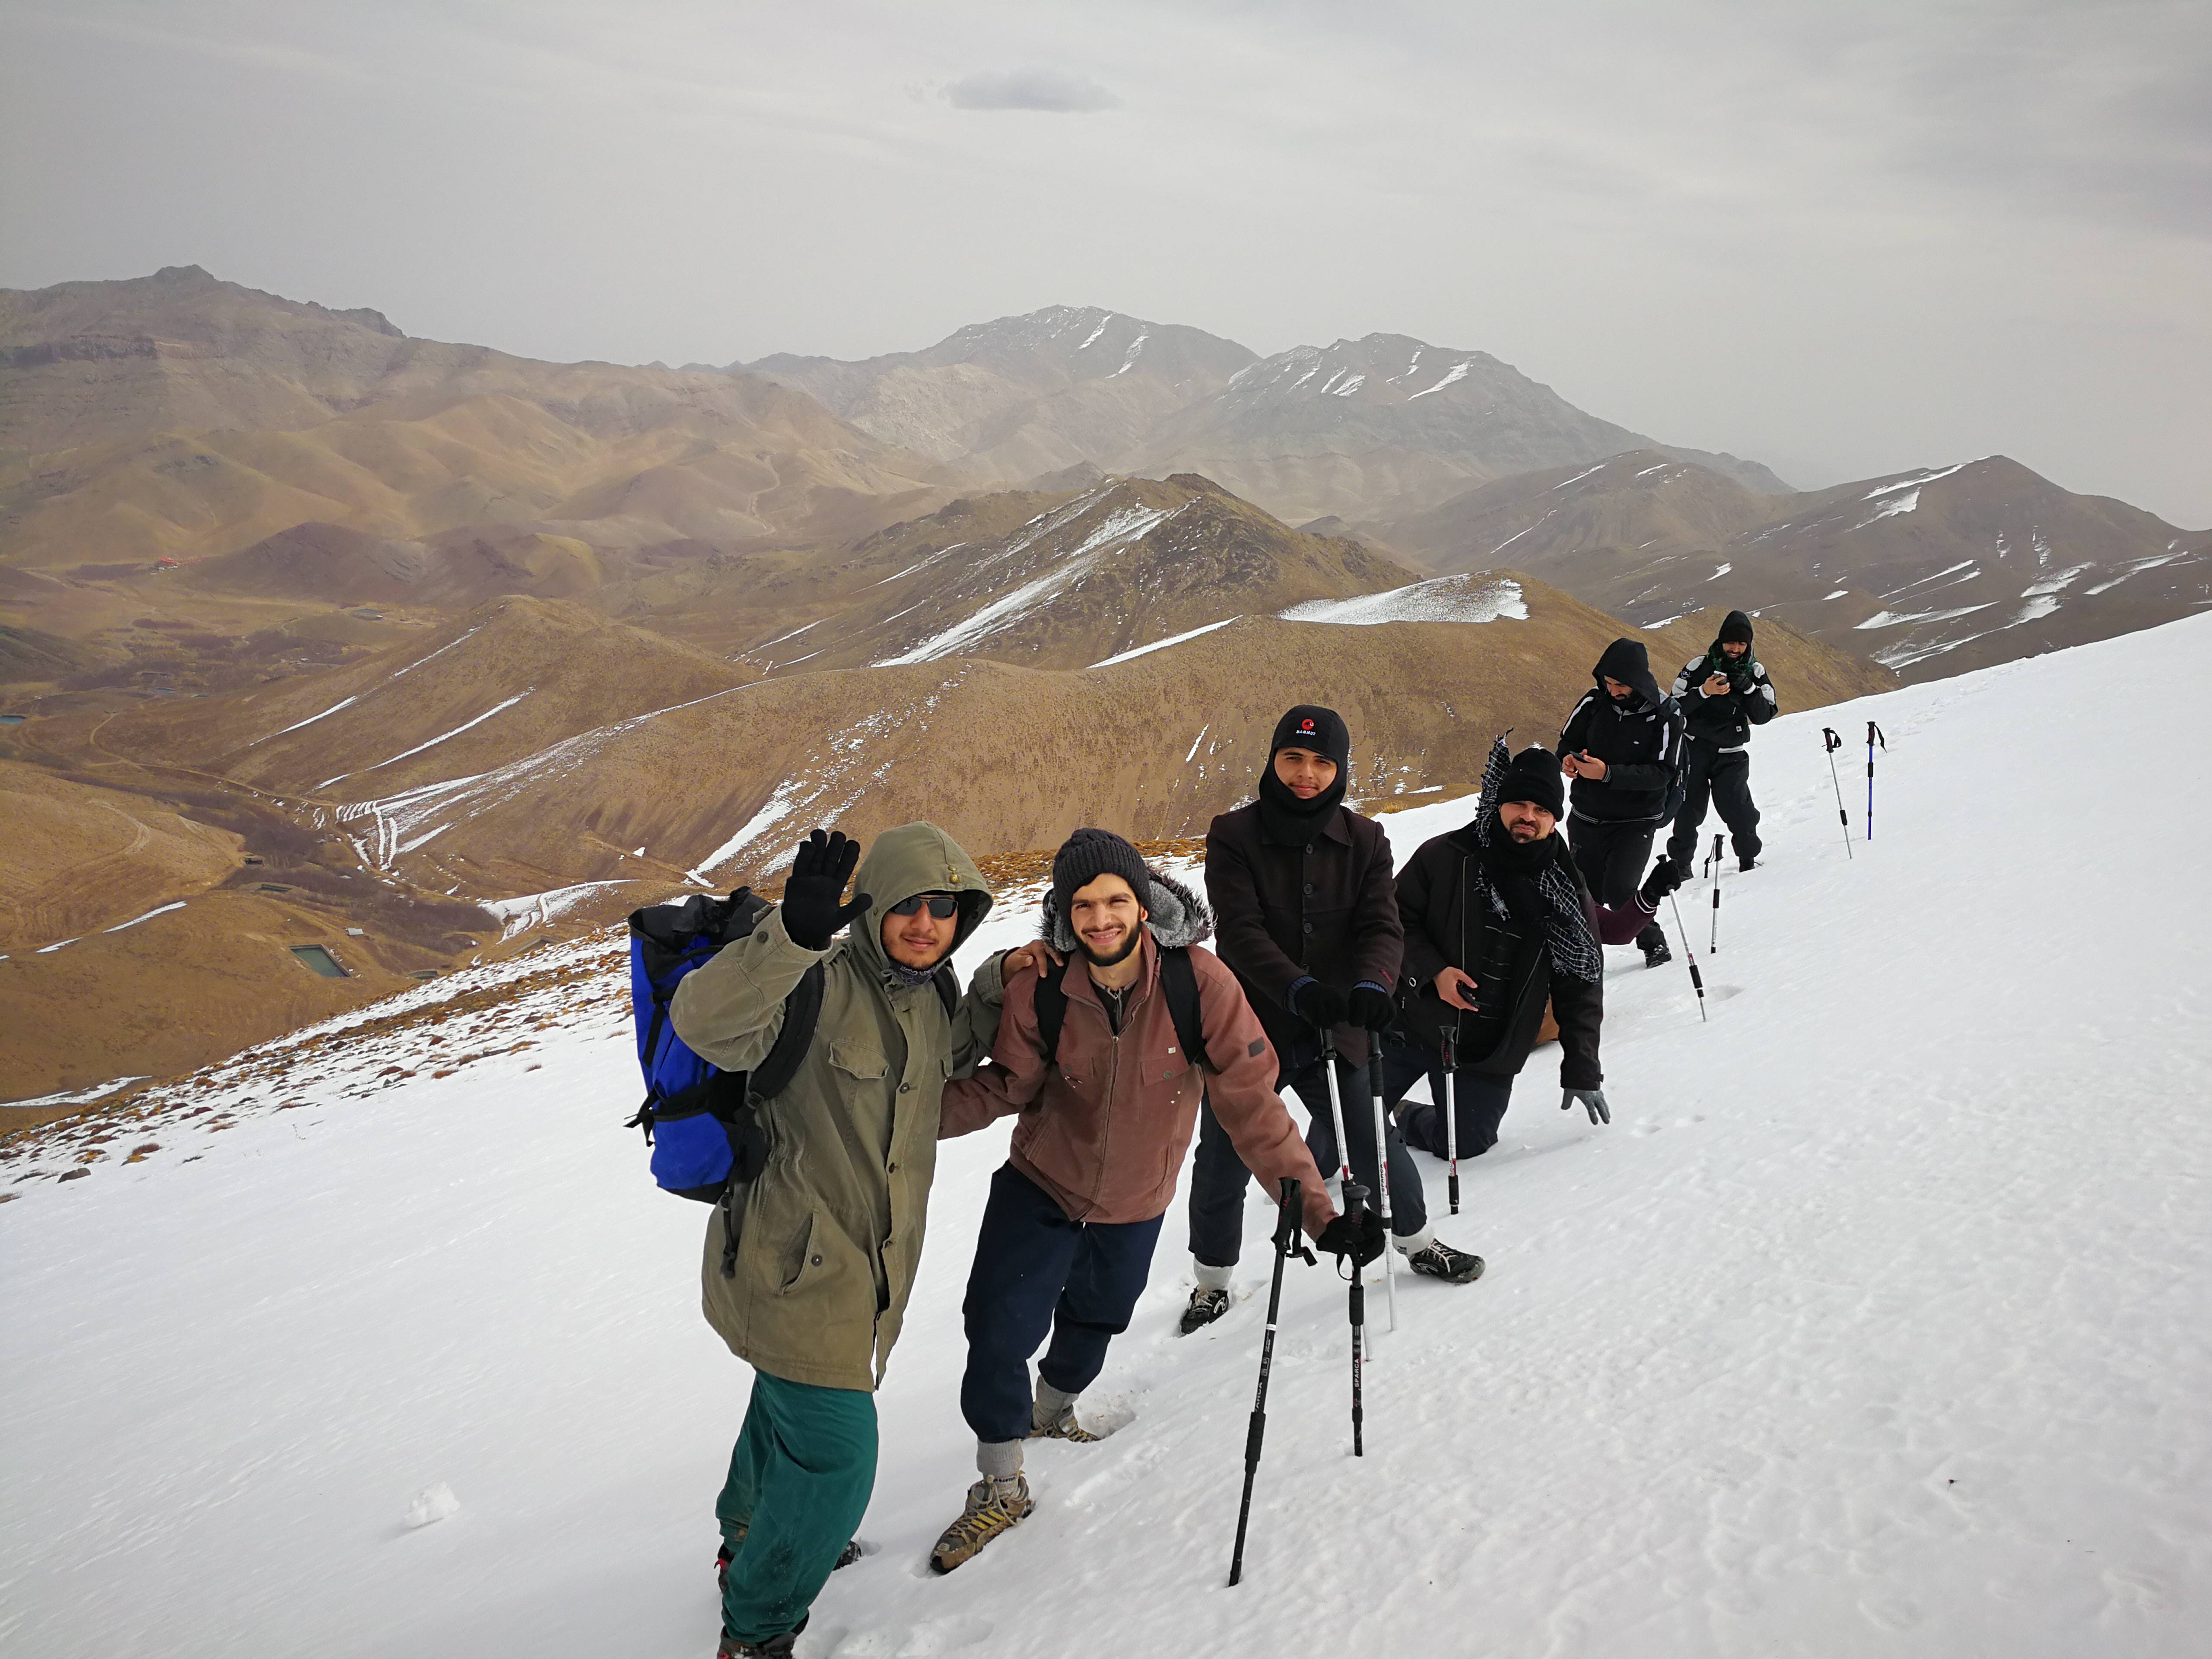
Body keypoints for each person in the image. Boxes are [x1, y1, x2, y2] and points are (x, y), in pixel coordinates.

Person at [927, 829, 1382, 1572]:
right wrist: (899, 1117)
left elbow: (1253, 1108)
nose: (1100, 919)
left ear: (1144, 904)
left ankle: (1052, 1412)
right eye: (1083, 905)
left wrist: (1320, 1219)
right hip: (1042, 1181)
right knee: (999, 1325)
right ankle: (1002, 1481)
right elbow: (1001, 1087)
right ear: (1063, 912)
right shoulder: (1040, 986)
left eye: (1115, 901)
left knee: (1098, 1317)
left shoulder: (1197, 984)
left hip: (1137, 1197)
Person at [667, 824, 1008, 1659]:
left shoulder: (929, 994)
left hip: (862, 1273)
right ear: (877, 906)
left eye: (947, 909)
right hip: (790, 1265)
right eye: (909, 906)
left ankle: (744, 1538)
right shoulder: (812, 976)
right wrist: (791, 935)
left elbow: (940, 1064)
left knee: (783, 1409)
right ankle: (758, 1630)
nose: (927, 923)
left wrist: (1004, 979)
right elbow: (706, 1024)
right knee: (836, 1460)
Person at [1180, 705, 1484, 1336]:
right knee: (1224, 1155)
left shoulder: (1366, 840)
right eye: (1293, 758)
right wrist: (1299, 988)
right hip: (1248, 1026)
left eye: (1322, 763)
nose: (1306, 774)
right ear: (1273, 759)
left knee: (1373, 1136)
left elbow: (1382, 924)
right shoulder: (1233, 834)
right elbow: (1239, 932)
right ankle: (1212, 1281)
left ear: (1340, 769)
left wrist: (1374, 984)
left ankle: (1418, 1241)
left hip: (1337, 1023)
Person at [1383, 741, 1683, 1159]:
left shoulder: (1563, 888)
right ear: (1499, 805)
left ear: (1555, 821)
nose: (1528, 816)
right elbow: (1394, 919)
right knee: (1337, 1130)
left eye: (1541, 810)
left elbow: (1583, 974)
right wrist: (1432, 971)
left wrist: (1581, 1069)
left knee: (1465, 1145)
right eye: (1518, 804)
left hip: (1491, 1043)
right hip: (1412, 1021)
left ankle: (1407, 1116)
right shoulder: (1447, 855)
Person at [1557, 638, 1687, 969]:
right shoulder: (1593, 702)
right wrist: (1568, 762)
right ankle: (1581, 957)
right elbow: (1568, 742)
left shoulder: (1666, 715)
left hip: (1635, 820)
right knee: (1582, 893)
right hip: (1587, 816)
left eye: (1620, 684)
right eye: (1609, 683)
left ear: (1639, 680)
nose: (1613, 690)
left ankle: (1653, 942)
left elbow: (1663, 773)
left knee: (1620, 891)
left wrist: (1608, 774)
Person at [1666, 610, 1779, 874]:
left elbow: (1765, 715)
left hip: (1732, 754)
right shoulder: (1697, 666)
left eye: (1742, 643)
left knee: (1739, 810)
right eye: (1731, 642)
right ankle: (1681, 867)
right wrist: (1705, 692)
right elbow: (1673, 707)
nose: (1736, 649)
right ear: (1720, 641)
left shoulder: (1756, 670)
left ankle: (1748, 862)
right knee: (1687, 810)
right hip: (1693, 749)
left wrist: (1749, 689)